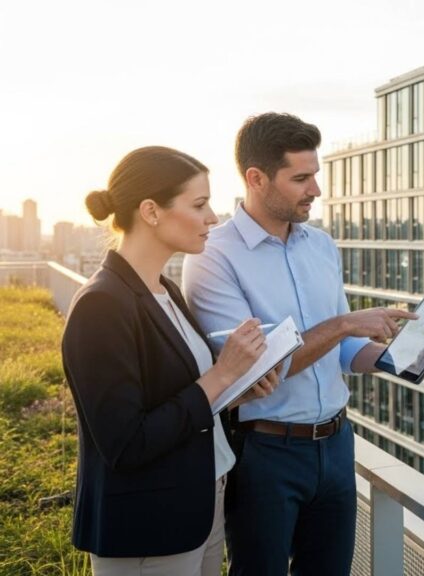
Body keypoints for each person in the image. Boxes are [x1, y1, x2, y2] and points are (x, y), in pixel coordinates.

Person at [182, 113, 424, 575]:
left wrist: (397, 358)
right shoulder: (214, 256)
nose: (316, 190)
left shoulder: (322, 246)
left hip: (337, 445)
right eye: (301, 178)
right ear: (256, 178)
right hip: (263, 454)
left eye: (315, 175)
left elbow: (341, 351)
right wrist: (344, 324)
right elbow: (252, 371)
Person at [62, 146, 281, 575]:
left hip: (199, 506)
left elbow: (177, 399)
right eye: (199, 205)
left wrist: (234, 388)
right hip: (149, 527)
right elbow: (126, 443)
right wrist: (222, 374)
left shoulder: (165, 290)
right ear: (151, 211)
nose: (213, 218)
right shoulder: (102, 304)